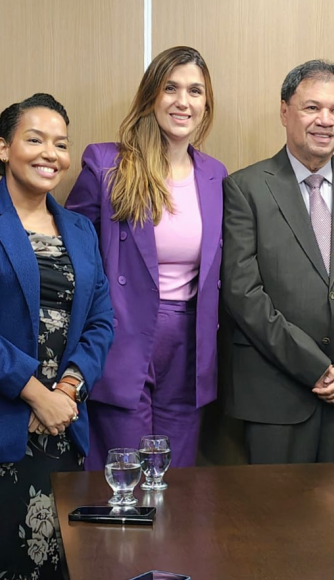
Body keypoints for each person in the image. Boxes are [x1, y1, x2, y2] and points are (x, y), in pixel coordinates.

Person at [0, 93, 114, 579]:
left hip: (62, 428)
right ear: (3, 147)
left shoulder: (80, 228)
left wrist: (67, 391)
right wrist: (38, 395)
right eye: (35, 140)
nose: (50, 154)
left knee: (60, 566)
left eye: (61, 144)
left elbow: (102, 321)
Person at [221, 59, 334, 464]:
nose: (326, 120)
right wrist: (313, 367)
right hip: (275, 394)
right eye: (312, 107)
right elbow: (242, 291)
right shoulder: (245, 188)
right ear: (284, 111)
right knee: (274, 505)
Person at [66, 46, 226, 470]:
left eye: (195, 91)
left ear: (206, 104)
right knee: (123, 476)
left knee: (175, 477)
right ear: (151, 95)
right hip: (122, 337)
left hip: (190, 345)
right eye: (171, 88)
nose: (183, 101)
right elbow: (74, 257)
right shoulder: (106, 164)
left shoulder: (216, 175)